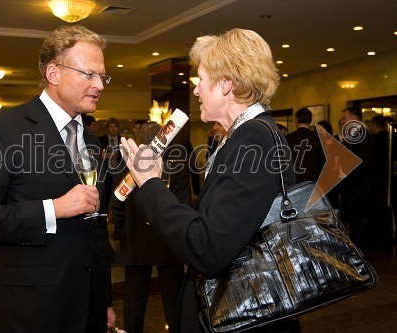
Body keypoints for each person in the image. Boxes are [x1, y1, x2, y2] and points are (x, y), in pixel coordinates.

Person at [119, 28, 299, 333]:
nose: (196, 90)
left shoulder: (253, 138)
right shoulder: (242, 136)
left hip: (245, 315)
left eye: (200, 80)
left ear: (226, 84)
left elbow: (208, 247)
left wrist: (150, 183)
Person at [0, 25, 116, 333]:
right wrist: (53, 208)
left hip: (87, 309)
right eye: (89, 74)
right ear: (53, 73)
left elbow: (94, 228)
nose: (100, 85)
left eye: (102, 76)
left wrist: (103, 299)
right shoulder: (4, 128)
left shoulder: (91, 140)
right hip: (31, 310)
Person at [111, 122, 189, 333]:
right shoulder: (175, 164)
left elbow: (117, 202)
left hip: (136, 241)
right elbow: (184, 203)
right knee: (174, 303)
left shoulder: (127, 164)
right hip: (169, 240)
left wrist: (120, 230)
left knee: (134, 302)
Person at [338, 107, 375, 251]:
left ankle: (361, 254)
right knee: (353, 222)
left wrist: (345, 175)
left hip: (360, 189)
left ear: (353, 118)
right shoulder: (354, 135)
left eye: (345, 118)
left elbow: (361, 164)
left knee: (359, 224)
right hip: (353, 189)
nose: (343, 121)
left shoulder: (364, 136)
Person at [368, 115, 393, 248]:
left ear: (373, 124)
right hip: (388, 181)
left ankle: (376, 239)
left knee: (376, 211)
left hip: (376, 182)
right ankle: (387, 239)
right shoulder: (390, 139)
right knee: (386, 212)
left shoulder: (373, 141)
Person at [286, 107, 324, 183]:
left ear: (296, 120)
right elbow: (323, 163)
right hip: (312, 182)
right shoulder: (318, 138)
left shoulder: (287, 138)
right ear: (310, 120)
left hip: (293, 182)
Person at [99, 117, 122, 239]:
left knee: (119, 200)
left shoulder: (124, 140)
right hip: (106, 174)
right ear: (107, 128)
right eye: (111, 126)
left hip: (119, 174)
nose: (113, 129)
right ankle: (103, 228)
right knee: (105, 199)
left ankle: (118, 229)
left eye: (115, 126)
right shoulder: (100, 139)